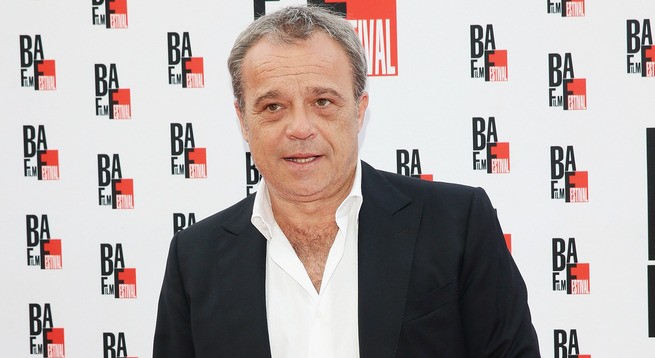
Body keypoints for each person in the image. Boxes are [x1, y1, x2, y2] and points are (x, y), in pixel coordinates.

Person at [153, 5, 541, 357]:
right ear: (243, 121)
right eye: (273, 107)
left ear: (359, 111)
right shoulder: (195, 257)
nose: (300, 128)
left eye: (323, 102)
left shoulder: (458, 224)